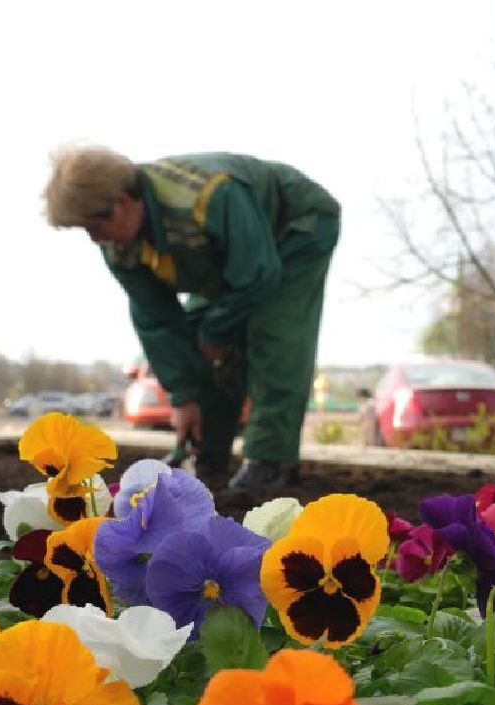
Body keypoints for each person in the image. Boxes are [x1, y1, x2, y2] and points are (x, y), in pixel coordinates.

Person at [43, 146, 340, 491]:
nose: (96, 240)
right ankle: (209, 457)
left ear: (123, 202)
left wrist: (217, 335)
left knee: (274, 334)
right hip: (228, 256)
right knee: (197, 338)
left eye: (96, 226)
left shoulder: (209, 196)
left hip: (294, 228)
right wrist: (183, 396)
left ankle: (270, 460)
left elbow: (256, 274)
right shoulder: (119, 246)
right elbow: (157, 321)